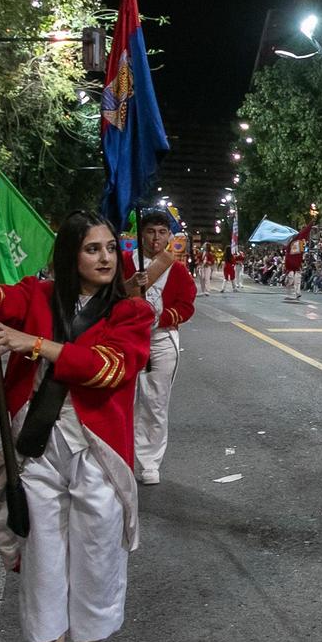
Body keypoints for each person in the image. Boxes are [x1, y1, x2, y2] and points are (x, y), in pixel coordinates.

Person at [0, 195, 154, 642]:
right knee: (44, 556)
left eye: (111, 248)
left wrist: (33, 344)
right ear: (70, 255)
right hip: (37, 446)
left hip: (98, 452)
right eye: (93, 249)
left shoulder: (132, 313)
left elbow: (108, 368)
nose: (106, 257)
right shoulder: (36, 296)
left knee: (97, 554)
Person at [126, 208, 195, 486]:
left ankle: (149, 461)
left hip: (161, 342)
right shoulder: (124, 262)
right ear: (140, 234)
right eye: (151, 231)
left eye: (162, 232)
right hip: (127, 341)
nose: (156, 238)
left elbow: (187, 305)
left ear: (169, 236)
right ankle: (123, 456)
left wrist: (161, 319)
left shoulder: (176, 269)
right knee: (124, 401)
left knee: (155, 403)